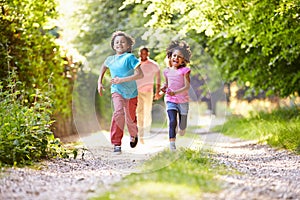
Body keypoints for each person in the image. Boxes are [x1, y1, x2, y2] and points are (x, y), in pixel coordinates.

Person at [97, 31, 144, 154]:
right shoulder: (110, 59)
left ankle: (134, 134)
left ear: (128, 45)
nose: (119, 44)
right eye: (117, 42)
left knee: (130, 118)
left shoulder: (130, 58)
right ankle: (116, 143)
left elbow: (140, 74)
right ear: (113, 45)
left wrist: (122, 79)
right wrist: (99, 82)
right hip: (117, 91)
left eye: (123, 42)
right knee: (118, 113)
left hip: (131, 93)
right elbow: (103, 67)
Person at [160, 40, 192, 151]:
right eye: (174, 55)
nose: (176, 58)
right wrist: (163, 88)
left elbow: (187, 87)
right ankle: (172, 145)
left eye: (179, 57)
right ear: (170, 56)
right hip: (170, 99)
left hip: (183, 101)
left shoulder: (185, 71)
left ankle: (182, 127)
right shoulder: (166, 71)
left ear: (184, 60)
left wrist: (176, 92)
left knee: (182, 127)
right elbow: (167, 84)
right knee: (172, 121)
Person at [136, 47, 161, 144]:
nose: (143, 55)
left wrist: (157, 92)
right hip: (138, 92)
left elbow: (158, 79)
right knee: (139, 113)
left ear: (148, 54)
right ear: (139, 53)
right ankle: (140, 135)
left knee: (147, 112)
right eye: (141, 53)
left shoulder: (154, 65)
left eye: (145, 53)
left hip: (148, 92)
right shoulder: (135, 64)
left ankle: (146, 133)